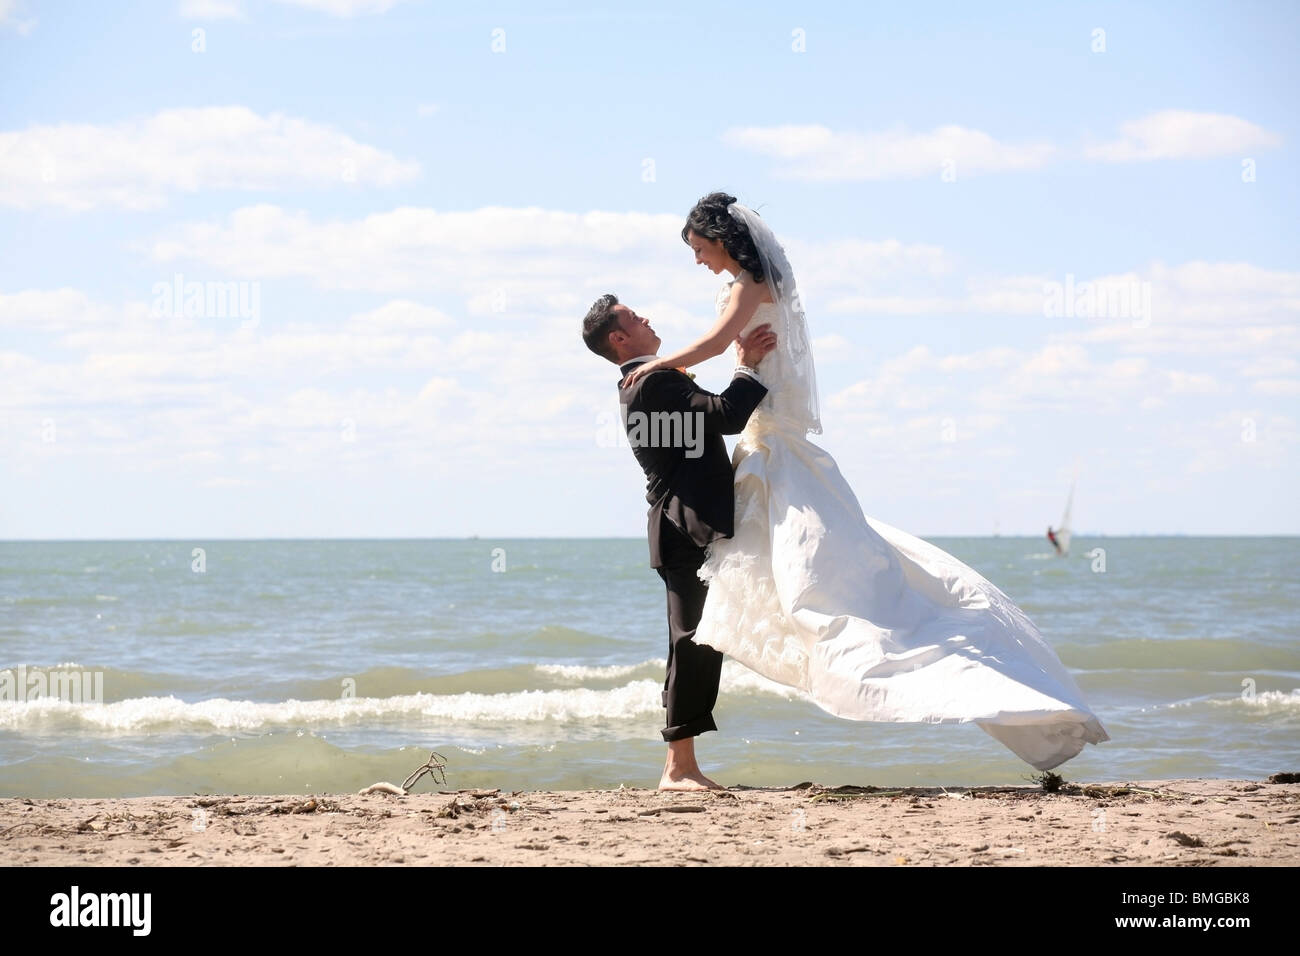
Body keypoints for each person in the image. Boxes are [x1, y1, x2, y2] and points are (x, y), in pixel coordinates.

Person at [621, 192, 1110, 770]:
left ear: (723, 241)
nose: (699, 261)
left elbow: (710, 347)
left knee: (811, 593)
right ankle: (692, 751)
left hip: (770, 450)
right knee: (802, 584)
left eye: (700, 250)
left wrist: (660, 364)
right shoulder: (753, 285)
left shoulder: (746, 286)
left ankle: (702, 745)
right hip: (764, 451)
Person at [582, 294, 777, 789]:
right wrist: (746, 365)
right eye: (633, 317)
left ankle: (681, 765)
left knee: (699, 641)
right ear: (619, 338)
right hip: (682, 528)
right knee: (692, 642)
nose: (646, 317)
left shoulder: (650, 379)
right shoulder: (653, 381)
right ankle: (678, 768)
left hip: (685, 529)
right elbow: (727, 415)